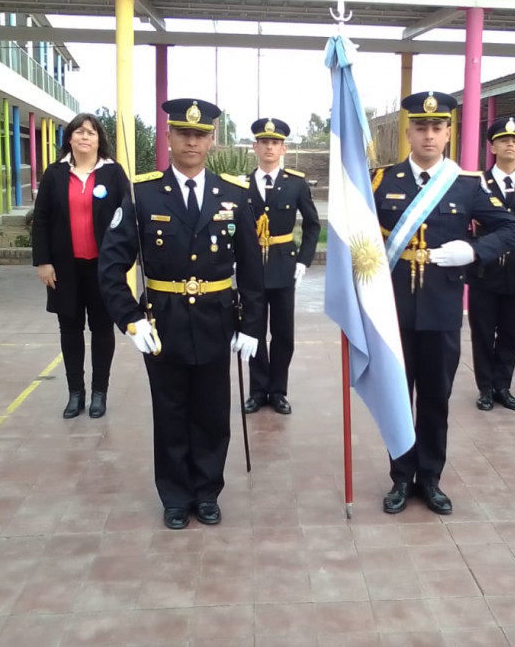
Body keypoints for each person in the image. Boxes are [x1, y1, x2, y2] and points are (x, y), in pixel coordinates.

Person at [97, 98, 265, 530]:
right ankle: (174, 496)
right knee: (169, 412)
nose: (192, 141)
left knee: (211, 412)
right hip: (162, 322)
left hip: (216, 318)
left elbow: (251, 268)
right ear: (168, 137)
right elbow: (111, 267)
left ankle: (207, 492)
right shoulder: (142, 192)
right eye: (183, 133)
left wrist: (252, 325)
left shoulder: (234, 194)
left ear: (211, 140)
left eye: (200, 134)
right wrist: (130, 319)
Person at [374, 91, 515, 515]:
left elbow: (511, 229)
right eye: (420, 127)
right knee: (397, 397)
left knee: (436, 397)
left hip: (441, 309)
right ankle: (401, 478)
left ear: (448, 133)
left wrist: (474, 250)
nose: (428, 134)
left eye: (437, 127)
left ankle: (431, 478)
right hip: (395, 310)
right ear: (408, 133)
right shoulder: (381, 181)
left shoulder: (466, 184)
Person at [32, 112, 129, 420]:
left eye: (91, 132)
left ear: (99, 139)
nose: (85, 137)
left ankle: (100, 392)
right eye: (79, 132)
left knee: (102, 329)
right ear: (70, 138)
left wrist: (122, 262)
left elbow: (129, 218)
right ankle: (76, 393)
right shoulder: (56, 173)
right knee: (70, 329)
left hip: (103, 268)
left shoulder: (113, 174)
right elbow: (42, 219)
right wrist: (43, 261)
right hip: (64, 268)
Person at [467, 117, 515, 412]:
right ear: (492, 147)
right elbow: (465, 226)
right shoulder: (476, 183)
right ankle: (485, 388)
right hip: (485, 270)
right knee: (484, 332)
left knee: (512, 332)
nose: (509, 144)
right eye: (503, 140)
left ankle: (503, 385)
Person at [242, 117, 321, 416]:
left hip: (284, 266)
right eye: (264, 142)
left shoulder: (296, 184)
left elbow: (312, 226)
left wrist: (303, 260)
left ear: (284, 148)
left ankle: (278, 390)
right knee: (253, 330)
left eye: (274, 143)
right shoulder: (241, 185)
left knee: (283, 333)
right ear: (255, 147)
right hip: (251, 268)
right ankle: (257, 390)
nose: (269, 148)